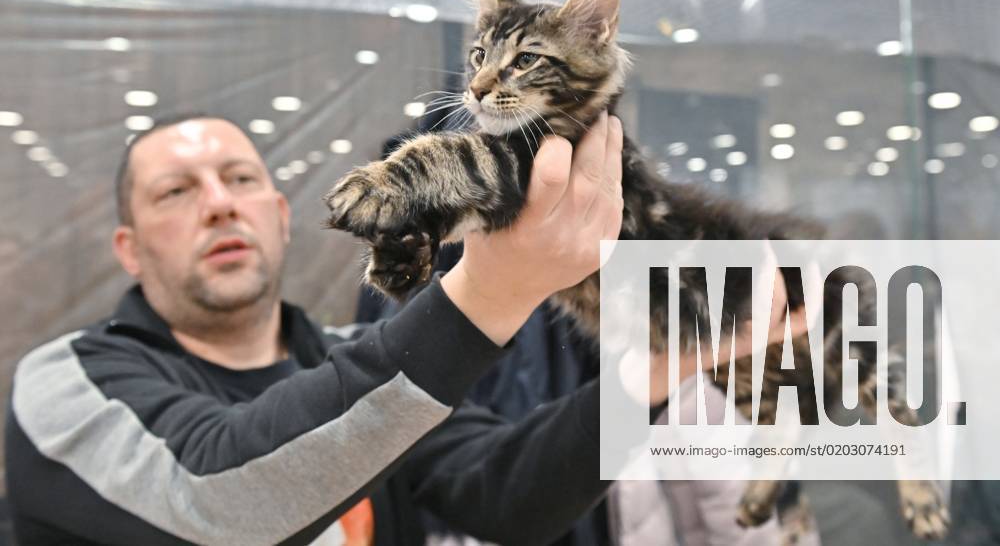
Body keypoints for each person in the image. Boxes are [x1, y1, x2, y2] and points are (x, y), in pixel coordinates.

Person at [6, 113, 799, 545]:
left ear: (281, 219)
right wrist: (488, 290)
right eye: (176, 191)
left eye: (242, 180)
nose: (220, 203)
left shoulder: (350, 361)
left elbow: (504, 493)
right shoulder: (67, 383)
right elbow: (215, 502)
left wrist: (656, 369)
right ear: (129, 249)